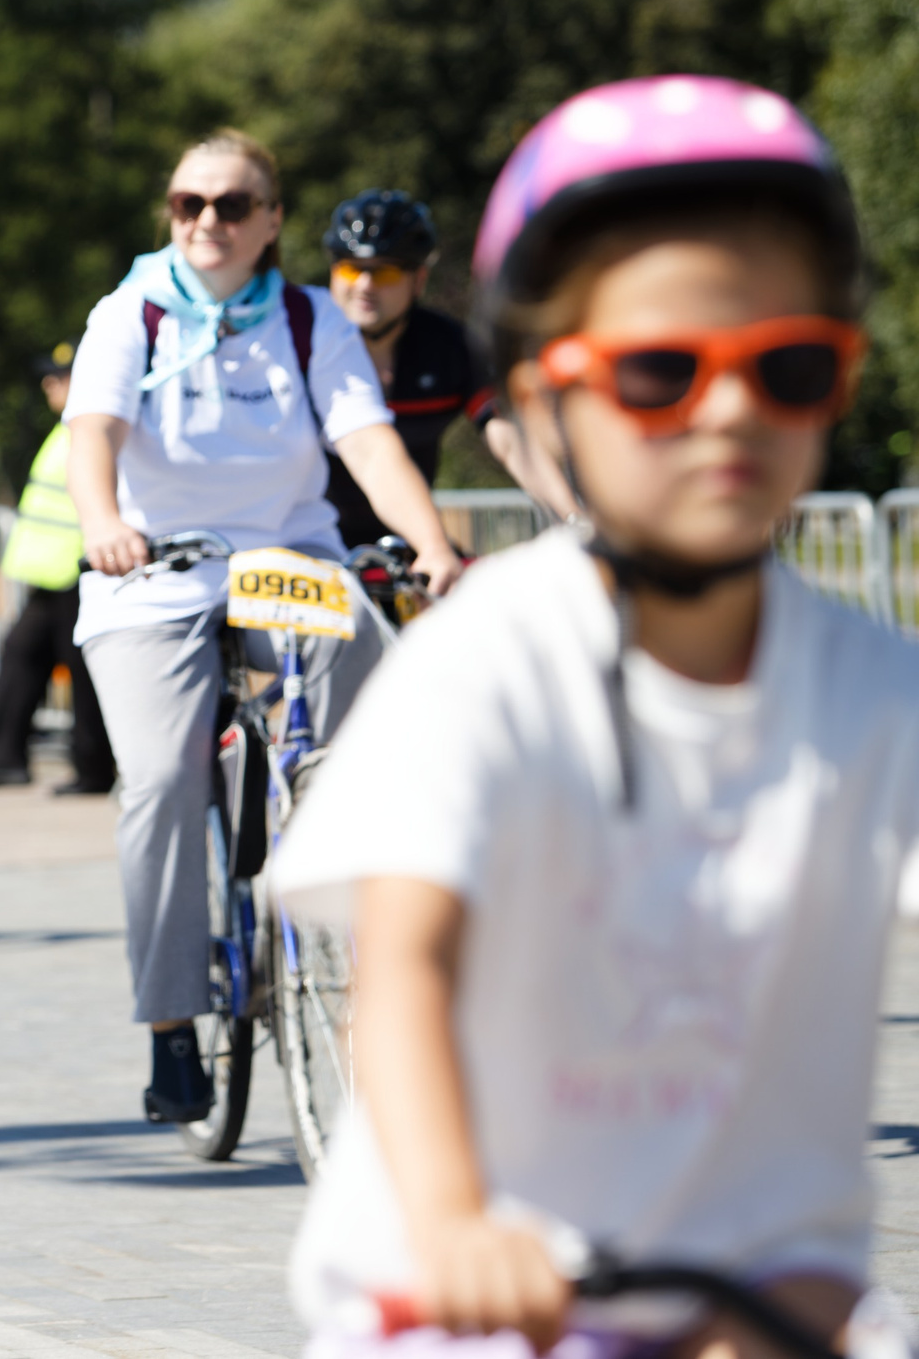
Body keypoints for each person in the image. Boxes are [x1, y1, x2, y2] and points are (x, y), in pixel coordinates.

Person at [270, 76, 903, 1359]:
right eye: (661, 371)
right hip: (486, 1299)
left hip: (773, 1302)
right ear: (541, 396)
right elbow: (400, 978)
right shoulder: (485, 668)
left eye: (785, 367)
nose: (730, 411)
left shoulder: (875, 692)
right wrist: (453, 1226)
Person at [67, 128, 464, 1129]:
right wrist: (103, 524)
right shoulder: (133, 312)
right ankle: (170, 1024)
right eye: (188, 204)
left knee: (369, 745)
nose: (207, 222)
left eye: (231, 206)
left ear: (270, 222)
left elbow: (367, 444)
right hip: (154, 573)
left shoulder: (308, 318)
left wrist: (430, 543)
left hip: (290, 562)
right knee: (160, 780)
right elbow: (92, 436)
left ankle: (382, 967)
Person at [0, 344, 115, 793]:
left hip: (82, 572)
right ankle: (4, 758)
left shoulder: (96, 429)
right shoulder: (69, 428)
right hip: (53, 575)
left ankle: (93, 771)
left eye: (61, 376)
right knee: (20, 655)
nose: (49, 383)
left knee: (86, 678)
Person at [319, 192, 497, 550]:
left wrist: (574, 517)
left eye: (384, 272)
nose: (366, 286)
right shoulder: (299, 342)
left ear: (418, 280)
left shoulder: (450, 345)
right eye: (353, 269)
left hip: (409, 544)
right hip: (309, 543)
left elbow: (509, 435)